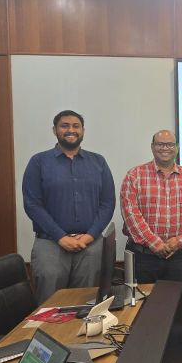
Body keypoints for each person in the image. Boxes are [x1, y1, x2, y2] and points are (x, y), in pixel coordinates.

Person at [23, 110, 115, 303]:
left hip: (90, 245)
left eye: (76, 126)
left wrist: (90, 236)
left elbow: (107, 203)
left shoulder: (98, 162)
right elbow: (32, 204)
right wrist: (61, 237)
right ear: (54, 130)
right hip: (50, 244)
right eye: (64, 125)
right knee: (50, 305)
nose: (70, 130)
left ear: (83, 131)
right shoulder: (39, 162)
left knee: (87, 303)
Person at [120, 130, 182, 284]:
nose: (165, 148)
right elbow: (131, 214)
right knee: (142, 305)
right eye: (160, 144)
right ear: (152, 147)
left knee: (177, 304)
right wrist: (155, 243)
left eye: (170, 144)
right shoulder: (134, 176)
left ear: (177, 148)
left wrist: (179, 241)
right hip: (143, 257)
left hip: (178, 257)